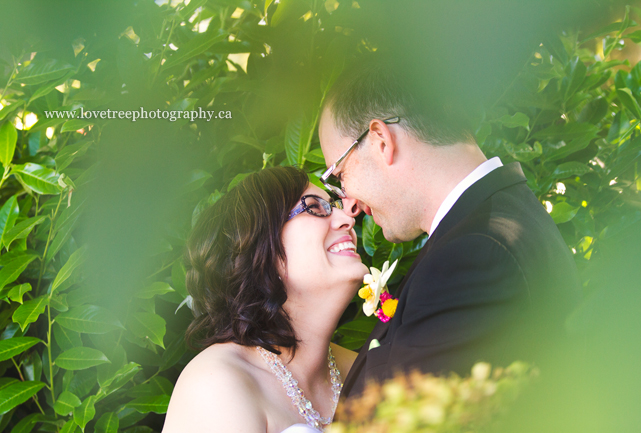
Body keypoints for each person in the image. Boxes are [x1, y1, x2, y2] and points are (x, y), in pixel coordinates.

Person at [318, 63, 582, 401]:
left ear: (382, 140)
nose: (349, 204)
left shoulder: (474, 256)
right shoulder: (496, 222)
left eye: (340, 175)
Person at [162, 167, 366, 433]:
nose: (346, 219)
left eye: (335, 205)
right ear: (260, 248)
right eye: (315, 207)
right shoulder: (216, 384)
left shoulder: (365, 368)